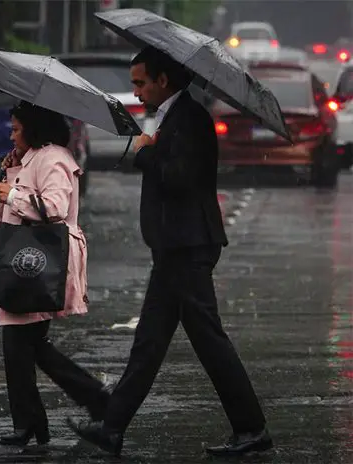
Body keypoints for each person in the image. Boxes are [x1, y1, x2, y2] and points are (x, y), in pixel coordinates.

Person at [68, 47, 272, 457]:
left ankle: (251, 428)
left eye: (141, 82)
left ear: (164, 80)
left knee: (208, 341)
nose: (136, 91)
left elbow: (179, 178)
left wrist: (145, 152)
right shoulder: (172, 117)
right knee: (149, 342)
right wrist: (148, 148)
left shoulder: (191, 119)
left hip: (188, 244)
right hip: (174, 245)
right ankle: (112, 427)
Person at [0, 101, 109, 447]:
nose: (11, 134)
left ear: (34, 129)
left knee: (20, 346)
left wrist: (13, 193)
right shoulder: (36, 156)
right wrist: (13, 174)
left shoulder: (52, 157)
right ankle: (48, 415)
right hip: (28, 261)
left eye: (16, 129)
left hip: (37, 263)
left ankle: (69, 407)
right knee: (29, 347)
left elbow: (54, 207)